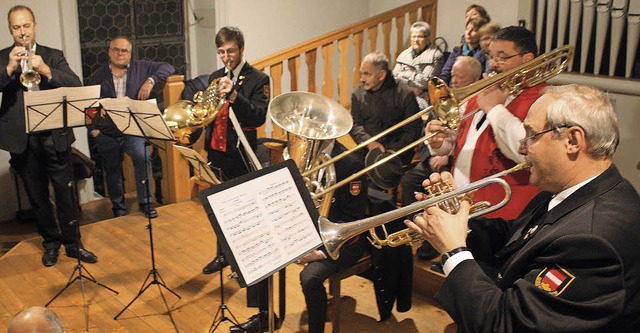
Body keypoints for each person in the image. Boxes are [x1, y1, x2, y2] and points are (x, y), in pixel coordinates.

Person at [406, 84, 640, 331]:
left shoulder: (595, 240)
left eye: (532, 135)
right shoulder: (568, 191)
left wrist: (454, 251)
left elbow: (508, 324)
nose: (521, 148)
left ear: (572, 140)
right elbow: (514, 239)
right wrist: (454, 219)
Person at [0, 5, 97, 267]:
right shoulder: (3, 57)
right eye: (17, 27)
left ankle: (73, 244)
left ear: (35, 26)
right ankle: (50, 243)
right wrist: (9, 67)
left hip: (54, 134)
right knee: (37, 196)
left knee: (66, 194)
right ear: (11, 30)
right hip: (22, 137)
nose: (22, 32)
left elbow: (75, 84)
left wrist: (45, 70)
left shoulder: (52, 56)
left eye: (26, 26)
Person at [189, 26, 270, 333]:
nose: (226, 56)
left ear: (242, 49)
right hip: (217, 151)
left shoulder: (258, 79)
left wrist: (235, 95)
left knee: (242, 214)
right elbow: (208, 114)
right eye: (222, 52)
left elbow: (257, 117)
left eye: (231, 51)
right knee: (219, 210)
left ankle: (241, 262)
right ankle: (222, 255)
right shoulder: (214, 77)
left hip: (241, 154)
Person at [426, 26, 542, 223]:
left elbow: (526, 151)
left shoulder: (541, 99)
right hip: (464, 204)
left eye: (502, 57)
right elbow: (463, 141)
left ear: (527, 59)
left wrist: (494, 109)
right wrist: (440, 143)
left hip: (505, 213)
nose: (494, 64)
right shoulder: (483, 91)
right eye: (491, 56)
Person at [402, 56, 482, 260]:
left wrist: (447, 157)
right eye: (453, 75)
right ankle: (424, 232)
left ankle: (439, 242)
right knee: (409, 180)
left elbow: (472, 143)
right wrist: (435, 146)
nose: (453, 80)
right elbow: (430, 133)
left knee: (435, 190)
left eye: (460, 77)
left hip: (456, 165)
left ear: (474, 79)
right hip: (438, 159)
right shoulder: (445, 98)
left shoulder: (480, 103)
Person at [86, 36, 175, 219]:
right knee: (112, 170)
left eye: (124, 51)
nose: (120, 54)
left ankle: (146, 202)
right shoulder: (98, 76)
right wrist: (93, 131)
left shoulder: (141, 68)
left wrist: (150, 80)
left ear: (130, 54)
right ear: (109, 52)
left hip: (133, 130)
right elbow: (89, 105)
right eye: (116, 50)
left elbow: (168, 67)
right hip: (108, 133)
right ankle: (118, 207)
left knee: (142, 157)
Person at [297, 142, 369, 333]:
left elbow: (352, 223)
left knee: (310, 278)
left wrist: (319, 254)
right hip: (314, 231)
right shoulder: (307, 155)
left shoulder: (351, 163)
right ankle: (263, 314)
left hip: (343, 242)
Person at [350, 51, 422, 168]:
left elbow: (413, 130)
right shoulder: (357, 94)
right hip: (367, 151)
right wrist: (370, 143)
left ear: (381, 75)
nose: (361, 79)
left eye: (367, 74)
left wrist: (390, 151)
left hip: (398, 154)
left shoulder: (405, 93)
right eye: (361, 74)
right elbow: (354, 125)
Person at [392, 21, 444, 109]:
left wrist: (403, 75)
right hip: (401, 94)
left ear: (427, 38)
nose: (416, 40)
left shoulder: (436, 55)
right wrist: (412, 88)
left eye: (420, 36)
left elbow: (425, 81)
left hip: (424, 98)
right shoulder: (403, 54)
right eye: (413, 36)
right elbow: (394, 77)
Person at [439, 17, 488, 87]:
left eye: (473, 30)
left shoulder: (484, 53)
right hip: (452, 89)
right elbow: (445, 73)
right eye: (467, 29)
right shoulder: (457, 50)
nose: (468, 33)